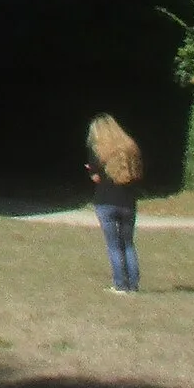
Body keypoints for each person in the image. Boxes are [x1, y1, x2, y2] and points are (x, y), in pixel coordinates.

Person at [85, 114, 142, 294]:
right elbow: (137, 174)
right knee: (128, 244)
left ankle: (119, 284)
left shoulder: (98, 150)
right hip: (128, 202)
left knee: (113, 245)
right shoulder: (130, 148)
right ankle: (133, 285)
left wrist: (92, 171)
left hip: (105, 201)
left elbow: (96, 177)